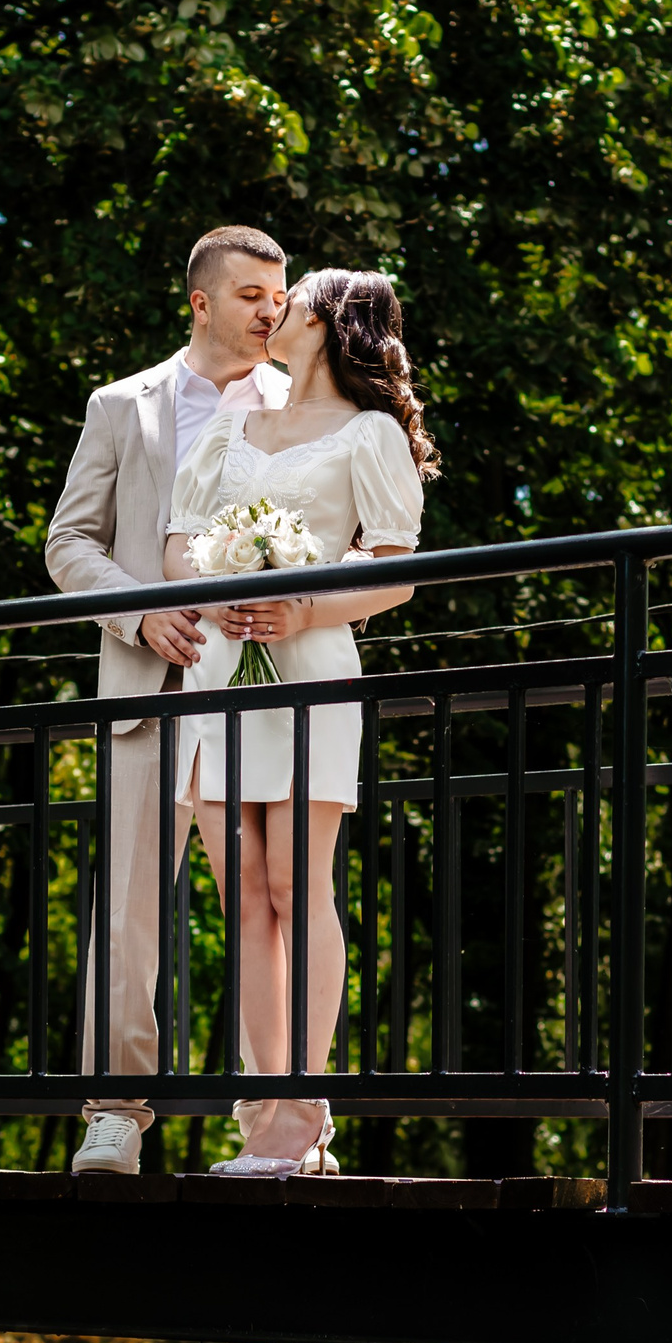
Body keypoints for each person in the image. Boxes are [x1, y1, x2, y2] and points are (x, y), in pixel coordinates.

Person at [162, 268, 439, 1177]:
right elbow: (179, 542)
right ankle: (262, 1116)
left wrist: (304, 606)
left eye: (296, 297)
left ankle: (302, 1114)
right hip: (219, 669)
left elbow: (396, 569)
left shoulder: (369, 433)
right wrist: (216, 589)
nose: (276, 309)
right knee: (242, 896)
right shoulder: (230, 425)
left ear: (329, 323)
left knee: (294, 885)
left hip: (309, 668)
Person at [44, 225, 292, 1175]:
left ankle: (280, 1120)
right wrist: (139, 613)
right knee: (129, 916)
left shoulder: (302, 403)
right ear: (200, 301)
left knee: (272, 908)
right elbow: (70, 542)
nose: (270, 310)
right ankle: (114, 1112)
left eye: (279, 295)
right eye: (251, 294)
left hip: (263, 695)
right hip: (148, 696)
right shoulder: (123, 406)